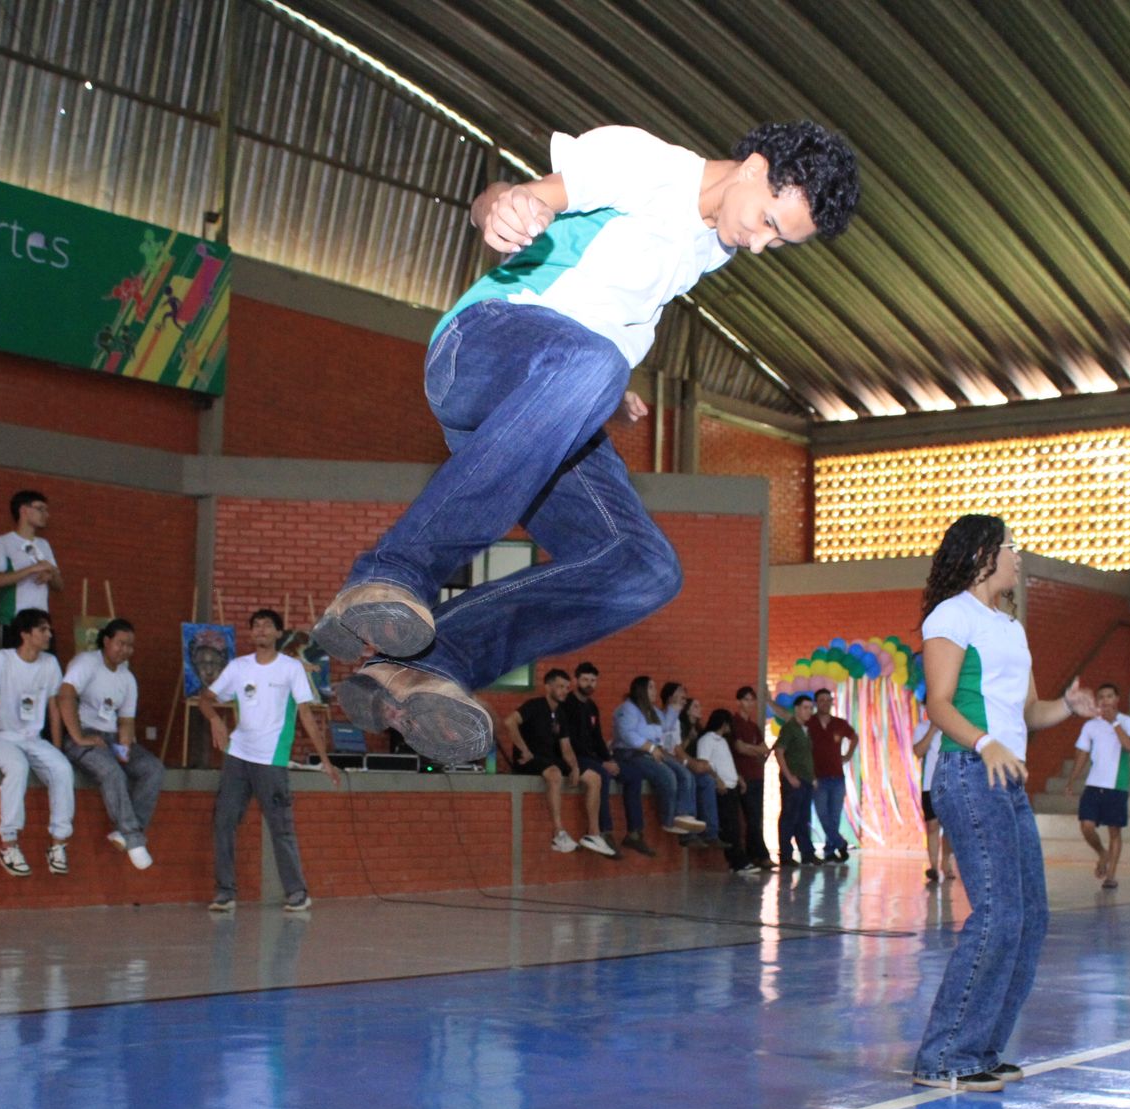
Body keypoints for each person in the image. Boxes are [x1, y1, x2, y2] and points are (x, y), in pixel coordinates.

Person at [313, 122, 860, 764]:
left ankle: (429, 662)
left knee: (644, 568)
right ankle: (391, 573)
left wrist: (597, 388)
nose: (761, 244)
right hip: (479, 346)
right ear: (754, 167)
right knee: (595, 364)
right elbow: (517, 196)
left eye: (780, 241)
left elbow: (604, 307)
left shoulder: (709, 244)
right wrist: (504, 207)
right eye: (768, 221)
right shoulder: (650, 165)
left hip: (546, 394)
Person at [911, 515, 1097, 1092]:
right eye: (1011, 546)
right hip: (969, 772)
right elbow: (940, 704)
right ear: (982, 555)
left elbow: (1030, 711)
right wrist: (985, 742)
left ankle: (980, 1049)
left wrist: (1068, 708)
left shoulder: (1011, 627)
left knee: (1030, 917)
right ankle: (944, 1055)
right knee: (997, 913)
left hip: (1005, 777)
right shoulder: (951, 616)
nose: (1019, 556)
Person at [197, 609, 341, 914]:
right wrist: (215, 720)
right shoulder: (238, 667)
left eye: (267, 625)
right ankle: (225, 892)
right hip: (237, 755)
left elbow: (306, 715)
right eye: (256, 625)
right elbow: (205, 699)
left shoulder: (291, 668)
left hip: (271, 759)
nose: (261, 629)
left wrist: (325, 760)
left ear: (278, 633)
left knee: (280, 827)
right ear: (251, 633)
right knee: (223, 822)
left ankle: (297, 893)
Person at [0, 608, 73, 877]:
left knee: (63, 769)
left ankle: (58, 844)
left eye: (49, 629)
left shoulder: (50, 663)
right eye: (42, 629)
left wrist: (57, 750)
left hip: (34, 740)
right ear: (25, 634)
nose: (49, 634)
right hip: (2, 737)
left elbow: (54, 708)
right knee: (17, 768)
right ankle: (9, 844)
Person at [57, 618, 163, 870]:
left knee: (153, 768)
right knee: (112, 772)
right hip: (84, 736)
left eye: (130, 646)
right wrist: (78, 736)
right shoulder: (86, 663)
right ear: (106, 641)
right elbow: (65, 695)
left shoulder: (128, 678)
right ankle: (134, 839)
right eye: (121, 644)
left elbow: (126, 721)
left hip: (111, 738)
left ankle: (124, 833)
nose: (125, 650)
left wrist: (124, 748)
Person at [505, 668, 613, 857]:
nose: (564, 691)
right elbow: (509, 722)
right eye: (560, 686)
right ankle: (558, 833)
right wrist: (524, 749)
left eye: (566, 687)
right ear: (548, 687)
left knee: (594, 778)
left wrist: (575, 767)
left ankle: (593, 834)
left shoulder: (561, 714)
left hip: (549, 758)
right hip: (529, 759)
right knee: (554, 773)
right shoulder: (534, 705)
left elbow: (566, 746)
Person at [612, 675, 706, 856]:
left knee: (685, 774)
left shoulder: (652, 710)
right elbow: (626, 733)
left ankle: (684, 815)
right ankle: (669, 819)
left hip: (653, 751)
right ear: (641, 689)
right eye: (651, 687)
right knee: (667, 776)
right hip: (631, 753)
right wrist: (650, 747)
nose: (655, 691)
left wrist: (675, 707)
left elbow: (665, 727)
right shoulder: (628, 709)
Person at [1065, 682, 1130, 889]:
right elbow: (1082, 753)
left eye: (1109, 696)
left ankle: (1111, 876)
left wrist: (1114, 722)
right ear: (1097, 701)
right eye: (1102, 697)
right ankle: (1101, 853)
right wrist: (1072, 780)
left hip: (1116, 785)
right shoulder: (1090, 726)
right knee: (1086, 826)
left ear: (1117, 699)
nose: (1105, 700)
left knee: (1114, 832)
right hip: (1093, 784)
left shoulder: (1128, 722)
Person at [0, 490, 62, 651]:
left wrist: (51, 573)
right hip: (12, 620)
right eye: (40, 509)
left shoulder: (44, 545)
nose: (46, 514)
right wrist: (31, 570)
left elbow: (59, 585)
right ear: (24, 510)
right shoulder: (2, 542)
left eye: (46, 510)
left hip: (40, 621)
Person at [561, 661, 620, 845]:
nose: (589, 684)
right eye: (585, 680)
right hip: (573, 757)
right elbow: (571, 741)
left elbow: (597, 738)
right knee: (602, 774)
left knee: (625, 773)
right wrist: (602, 763)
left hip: (590, 756)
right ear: (576, 680)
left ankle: (634, 832)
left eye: (593, 681)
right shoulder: (567, 704)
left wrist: (609, 759)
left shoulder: (592, 707)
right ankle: (603, 830)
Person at [660, 680, 718, 845]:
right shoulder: (659, 717)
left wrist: (691, 763)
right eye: (680, 694)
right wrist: (690, 764)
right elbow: (664, 748)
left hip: (674, 759)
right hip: (662, 759)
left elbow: (677, 748)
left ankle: (710, 832)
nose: (684, 698)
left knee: (706, 781)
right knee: (687, 776)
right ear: (670, 697)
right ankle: (685, 827)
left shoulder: (677, 722)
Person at [696, 709, 753, 874]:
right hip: (722, 788)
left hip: (732, 786)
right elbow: (704, 763)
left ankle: (739, 859)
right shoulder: (707, 740)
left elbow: (726, 764)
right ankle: (737, 862)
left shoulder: (722, 741)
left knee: (735, 825)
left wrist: (738, 777)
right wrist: (716, 780)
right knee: (729, 827)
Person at [807, 687, 860, 863]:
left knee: (834, 816)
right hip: (817, 777)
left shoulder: (839, 723)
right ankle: (840, 842)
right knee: (822, 814)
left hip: (837, 777)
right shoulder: (809, 722)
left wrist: (848, 755)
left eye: (828, 700)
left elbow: (854, 737)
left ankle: (830, 850)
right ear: (816, 703)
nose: (825, 703)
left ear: (832, 702)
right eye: (821, 700)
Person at [731, 687, 774, 869]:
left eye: (752, 700)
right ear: (738, 701)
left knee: (755, 818)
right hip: (743, 775)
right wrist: (754, 749)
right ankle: (761, 855)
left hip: (757, 775)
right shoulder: (735, 723)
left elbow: (765, 749)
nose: (749, 704)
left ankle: (753, 854)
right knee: (751, 816)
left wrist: (751, 748)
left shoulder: (754, 726)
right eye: (746, 700)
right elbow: (739, 748)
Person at [774, 695, 819, 866]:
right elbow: (779, 752)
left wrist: (813, 777)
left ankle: (807, 853)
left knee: (803, 818)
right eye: (805, 708)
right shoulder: (790, 728)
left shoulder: (805, 730)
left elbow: (806, 757)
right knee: (789, 817)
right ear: (797, 709)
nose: (809, 711)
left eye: (811, 708)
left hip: (806, 780)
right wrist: (789, 776)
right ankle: (785, 854)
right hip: (794, 779)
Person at [912, 719, 953, 887]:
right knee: (932, 825)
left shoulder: (952, 724)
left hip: (951, 783)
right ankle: (934, 867)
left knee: (949, 827)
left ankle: (946, 862)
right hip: (929, 783)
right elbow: (918, 751)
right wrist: (932, 730)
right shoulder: (922, 728)